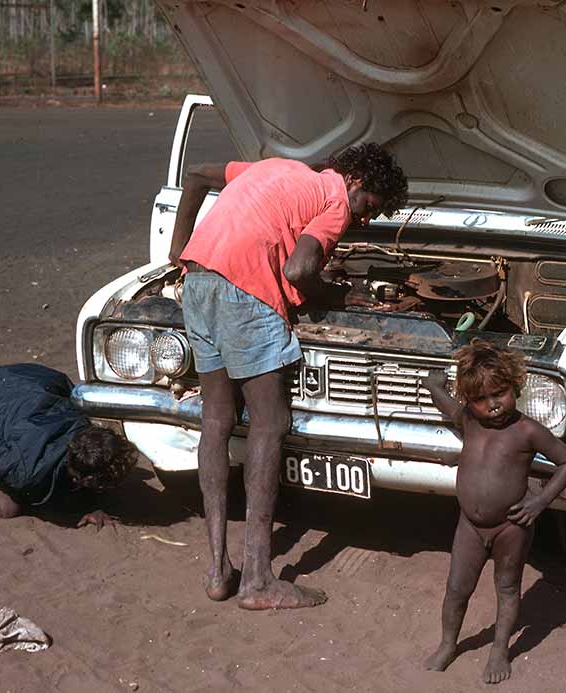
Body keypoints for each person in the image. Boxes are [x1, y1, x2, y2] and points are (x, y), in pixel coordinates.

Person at [168, 143, 408, 610]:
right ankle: (257, 580)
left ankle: (218, 572)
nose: (361, 220)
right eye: (369, 208)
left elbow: (196, 174)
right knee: (270, 425)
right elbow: (298, 270)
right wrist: (340, 297)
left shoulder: (274, 167)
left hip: (198, 282)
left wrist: (178, 252)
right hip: (245, 295)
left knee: (215, 422)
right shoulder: (336, 200)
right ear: (355, 181)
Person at [421, 340, 566, 683]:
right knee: (456, 588)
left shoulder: (526, 431)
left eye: (500, 394)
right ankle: (448, 644)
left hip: (511, 526)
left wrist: (540, 501)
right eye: (480, 399)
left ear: (515, 387)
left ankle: (499, 651)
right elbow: (447, 405)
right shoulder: (469, 420)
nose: (492, 405)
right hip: (470, 526)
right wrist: (433, 385)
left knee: (507, 588)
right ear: (469, 401)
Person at [0, 364, 138, 536]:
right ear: (80, 479)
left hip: (40, 381)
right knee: (5, 508)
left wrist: (92, 506)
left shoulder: (84, 428)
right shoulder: (22, 467)